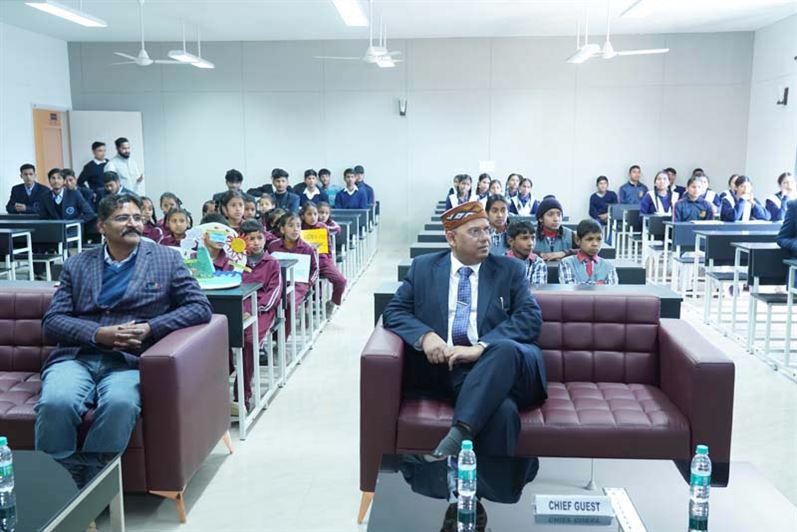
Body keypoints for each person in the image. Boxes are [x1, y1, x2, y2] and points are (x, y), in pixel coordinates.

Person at [36, 193, 211, 474]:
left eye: (137, 218)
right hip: (78, 356)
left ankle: (90, 489)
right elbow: (53, 321)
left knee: (120, 404)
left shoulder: (167, 260)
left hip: (131, 359)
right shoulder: (77, 264)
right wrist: (97, 333)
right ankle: (57, 490)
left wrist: (151, 328)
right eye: (122, 218)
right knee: (56, 403)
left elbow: (199, 307)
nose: (132, 223)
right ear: (101, 226)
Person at [382, 201, 547, 459]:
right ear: (451, 238)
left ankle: (455, 439)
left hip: (506, 364)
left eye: (487, 231)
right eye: (475, 232)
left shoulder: (509, 269)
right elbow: (394, 311)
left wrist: (479, 349)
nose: (486, 239)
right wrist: (425, 337)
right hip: (450, 370)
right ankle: (497, 490)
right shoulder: (424, 268)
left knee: (503, 348)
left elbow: (530, 318)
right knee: (502, 411)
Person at [236, 220, 282, 408]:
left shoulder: (272, 263)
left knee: (249, 341)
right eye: (250, 239)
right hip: (238, 308)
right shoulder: (235, 262)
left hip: (262, 311)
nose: (255, 242)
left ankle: (242, 395)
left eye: (259, 238)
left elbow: (274, 292)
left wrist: (256, 310)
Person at [268, 213, 319, 337]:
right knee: (268, 301)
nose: (295, 229)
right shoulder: (272, 246)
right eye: (291, 226)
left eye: (298, 226)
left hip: (299, 285)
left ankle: (282, 339)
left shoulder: (307, 248)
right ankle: (268, 335)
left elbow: (315, 270)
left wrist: (307, 283)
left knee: (289, 303)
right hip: (277, 283)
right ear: (282, 229)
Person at [300, 202, 347, 313]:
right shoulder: (299, 228)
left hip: (323, 261)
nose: (313, 217)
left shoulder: (323, 227)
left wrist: (329, 263)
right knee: (305, 286)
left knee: (341, 281)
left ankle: (332, 302)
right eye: (309, 214)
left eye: (315, 214)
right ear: (303, 216)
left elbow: (329, 249)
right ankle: (305, 311)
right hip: (306, 263)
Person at [559, 219, 619, 285]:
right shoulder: (567, 263)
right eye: (589, 239)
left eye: (599, 239)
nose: (595, 244)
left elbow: (611, 292)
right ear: (577, 240)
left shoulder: (609, 266)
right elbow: (570, 291)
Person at [533, 196, 576, 261]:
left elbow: (585, 250)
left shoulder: (570, 235)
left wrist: (565, 253)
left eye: (559, 215)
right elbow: (518, 251)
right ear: (541, 218)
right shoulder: (532, 234)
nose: (556, 219)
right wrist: (539, 254)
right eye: (550, 215)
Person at [505, 221, 547, 286]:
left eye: (533, 238)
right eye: (525, 238)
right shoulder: (500, 263)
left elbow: (537, 291)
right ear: (511, 241)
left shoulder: (538, 263)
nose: (530, 243)